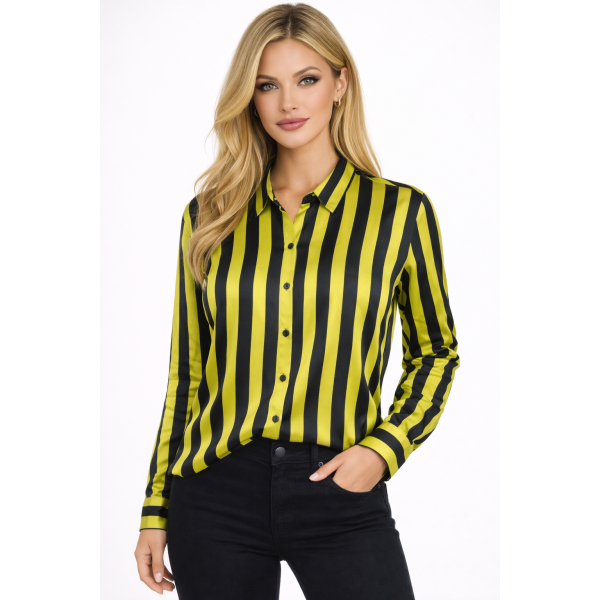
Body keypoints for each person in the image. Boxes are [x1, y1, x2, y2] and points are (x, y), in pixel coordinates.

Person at [134, 3, 460, 598]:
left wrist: (383, 451)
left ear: (340, 84)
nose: (288, 102)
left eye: (306, 79)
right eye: (267, 86)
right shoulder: (209, 217)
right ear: (250, 98)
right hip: (214, 495)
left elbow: (436, 353)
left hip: (340, 486)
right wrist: (156, 508)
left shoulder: (400, 213)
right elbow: (188, 373)